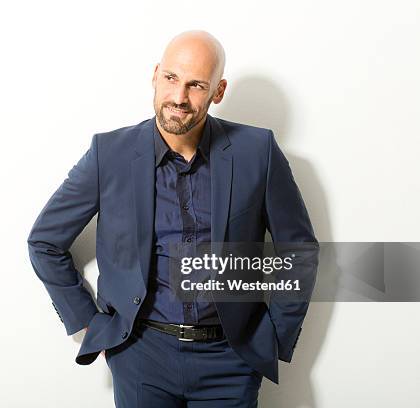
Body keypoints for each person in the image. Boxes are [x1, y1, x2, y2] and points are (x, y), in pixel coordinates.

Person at [27, 30, 318, 407]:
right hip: (141, 357)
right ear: (155, 75)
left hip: (229, 361)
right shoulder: (109, 154)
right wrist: (89, 322)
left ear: (219, 90)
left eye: (196, 85)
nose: (179, 98)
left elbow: (298, 250)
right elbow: (44, 242)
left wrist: (274, 333)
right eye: (171, 78)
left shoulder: (257, 152)